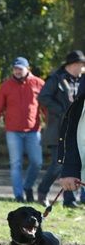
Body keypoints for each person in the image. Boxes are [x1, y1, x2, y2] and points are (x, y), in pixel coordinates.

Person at [0, 57, 45, 202]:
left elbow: (46, 107)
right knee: (15, 164)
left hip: (33, 130)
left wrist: (53, 126)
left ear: (27, 68)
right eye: (15, 69)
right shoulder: (6, 86)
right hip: (13, 131)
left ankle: (28, 186)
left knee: (37, 162)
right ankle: (18, 195)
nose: (17, 71)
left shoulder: (39, 83)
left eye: (20, 68)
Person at [36, 50, 85, 207]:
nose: (83, 68)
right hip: (58, 130)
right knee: (58, 165)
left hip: (76, 131)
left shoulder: (82, 80)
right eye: (81, 65)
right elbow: (43, 97)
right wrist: (62, 110)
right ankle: (42, 191)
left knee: (74, 163)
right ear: (73, 65)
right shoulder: (56, 79)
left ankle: (70, 200)